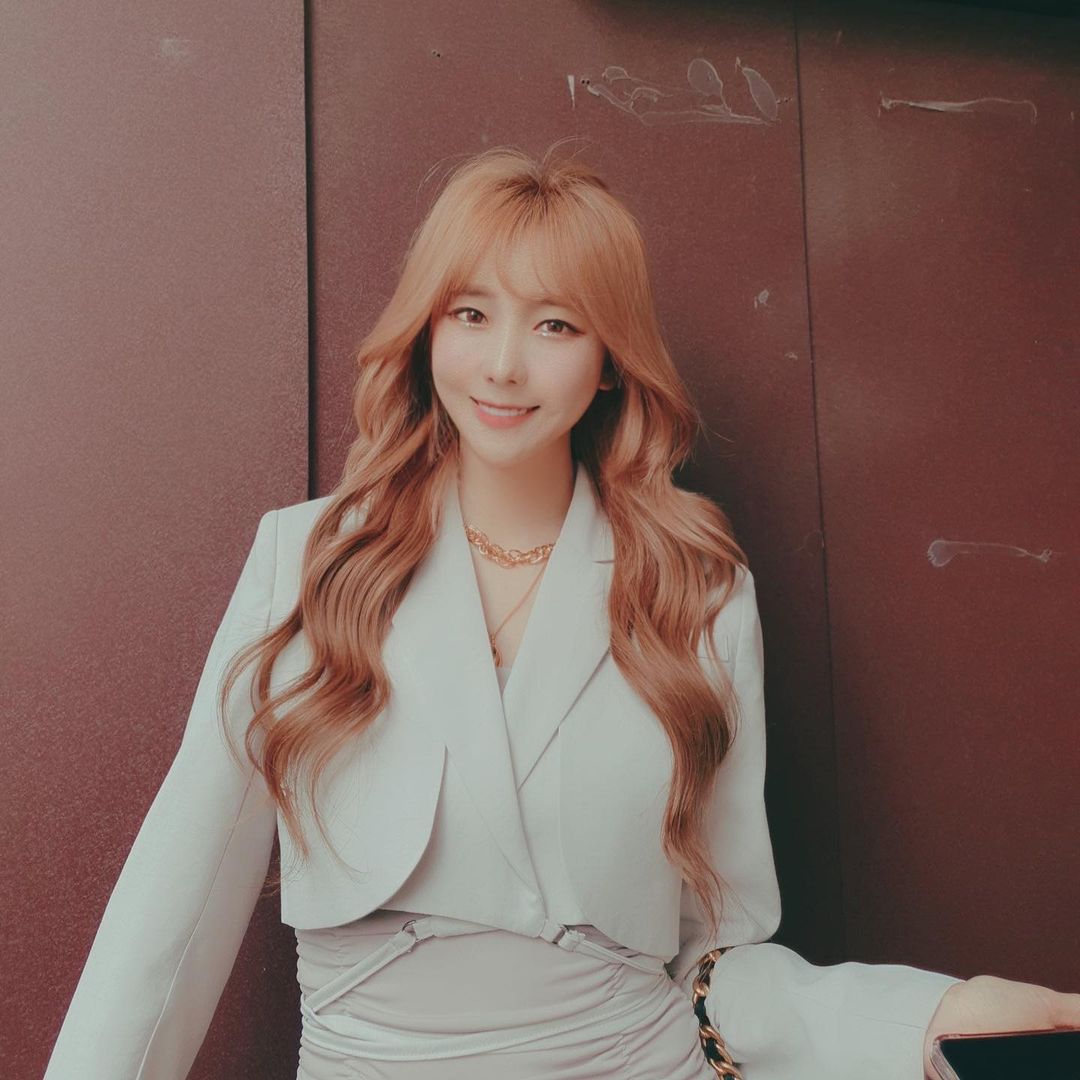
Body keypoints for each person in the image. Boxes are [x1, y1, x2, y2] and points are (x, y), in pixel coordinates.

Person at [44, 144, 1080, 1080]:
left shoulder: (699, 589)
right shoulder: (309, 558)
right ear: (427, 329)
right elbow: (172, 914)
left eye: (554, 324)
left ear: (610, 356)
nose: (504, 364)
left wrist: (922, 1017)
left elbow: (717, 960)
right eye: (471, 314)